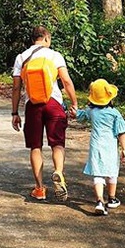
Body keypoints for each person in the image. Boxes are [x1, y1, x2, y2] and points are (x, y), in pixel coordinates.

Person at [11, 25, 78, 201]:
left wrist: (14, 112)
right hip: (54, 103)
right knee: (57, 144)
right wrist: (74, 103)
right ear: (46, 38)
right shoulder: (55, 55)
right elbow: (66, 81)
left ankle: (39, 188)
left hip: (33, 104)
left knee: (35, 146)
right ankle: (58, 172)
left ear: (33, 39)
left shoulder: (22, 57)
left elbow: (16, 87)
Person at [71, 79, 125, 215]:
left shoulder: (92, 112)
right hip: (110, 147)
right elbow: (121, 132)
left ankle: (99, 201)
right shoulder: (115, 113)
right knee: (111, 172)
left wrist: (74, 112)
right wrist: (124, 149)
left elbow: (80, 116)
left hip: (96, 146)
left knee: (98, 174)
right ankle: (112, 199)